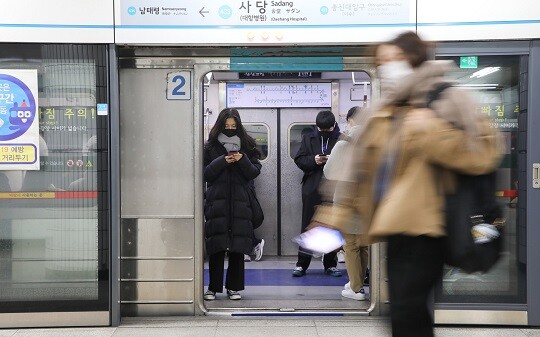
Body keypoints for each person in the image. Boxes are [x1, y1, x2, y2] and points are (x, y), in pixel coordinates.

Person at [335, 32, 500, 336]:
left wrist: (432, 131)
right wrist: (335, 213)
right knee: (406, 311)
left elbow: (485, 152)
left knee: (406, 310)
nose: (386, 67)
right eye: (381, 61)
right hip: (394, 225)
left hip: (428, 223)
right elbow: (361, 166)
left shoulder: (447, 97)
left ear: (414, 58)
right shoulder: (387, 107)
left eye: (393, 59)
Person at [203, 108, 262, 301]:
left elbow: (254, 172)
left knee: (237, 246)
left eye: (233, 126)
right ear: (220, 125)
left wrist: (242, 160)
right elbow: (205, 174)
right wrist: (222, 161)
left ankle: (233, 287)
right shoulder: (210, 146)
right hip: (216, 201)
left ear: (238, 125)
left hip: (240, 201)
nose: (230, 129)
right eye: (226, 126)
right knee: (216, 246)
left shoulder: (248, 145)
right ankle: (212, 287)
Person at [323, 106, 370, 300]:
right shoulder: (373, 143)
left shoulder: (344, 143)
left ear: (350, 120)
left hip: (347, 198)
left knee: (350, 244)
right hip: (367, 199)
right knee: (363, 244)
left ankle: (356, 288)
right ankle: (358, 281)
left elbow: (328, 172)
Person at [292, 110, 342, 277]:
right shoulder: (309, 138)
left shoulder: (341, 139)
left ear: (333, 126)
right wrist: (314, 160)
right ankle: (301, 264)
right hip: (312, 185)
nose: (324, 132)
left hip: (333, 187)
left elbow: (346, 162)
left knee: (331, 225)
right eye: (321, 129)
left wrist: (332, 161)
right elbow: (299, 159)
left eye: (327, 130)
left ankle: (330, 263)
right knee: (308, 224)